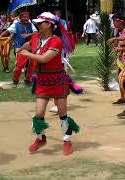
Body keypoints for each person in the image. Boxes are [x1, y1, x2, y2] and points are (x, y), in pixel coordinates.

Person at [18, 12, 80, 155]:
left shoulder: (56, 41)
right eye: (38, 23)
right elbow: (28, 45)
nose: (38, 25)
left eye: (41, 22)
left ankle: (67, 140)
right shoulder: (35, 37)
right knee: (39, 112)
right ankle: (41, 139)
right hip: (42, 81)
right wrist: (20, 49)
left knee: (62, 112)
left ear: (50, 25)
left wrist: (27, 55)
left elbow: (45, 58)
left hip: (57, 80)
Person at [0, 12, 38, 86]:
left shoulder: (30, 24)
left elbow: (36, 32)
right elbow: (7, 31)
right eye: (24, 17)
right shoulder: (15, 24)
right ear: (20, 18)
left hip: (30, 47)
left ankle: (28, 80)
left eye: (28, 17)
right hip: (20, 47)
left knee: (32, 64)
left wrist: (28, 35)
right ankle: (15, 79)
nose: (27, 18)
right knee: (20, 65)